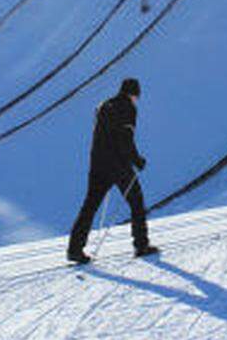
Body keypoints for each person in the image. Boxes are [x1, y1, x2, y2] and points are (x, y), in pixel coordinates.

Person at [67, 78, 159, 264]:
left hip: (97, 163)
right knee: (136, 202)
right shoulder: (128, 108)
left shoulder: (103, 105)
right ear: (133, 93)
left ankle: (74, 249)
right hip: (118, 164)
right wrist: (137, 160)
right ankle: (141, 245)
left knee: (90, 206)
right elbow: (125, 138)